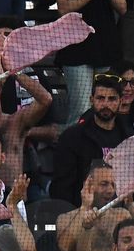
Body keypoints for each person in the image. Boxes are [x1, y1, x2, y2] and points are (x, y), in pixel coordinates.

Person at [50, 74, 128, 205]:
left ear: (120, 101)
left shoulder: (128, 138)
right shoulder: (72, 137)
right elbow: (62, 187)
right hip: (81, 213)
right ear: (91, 100)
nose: (106, 104)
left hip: (119, 212)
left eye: (112, 99)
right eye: (100, 98)